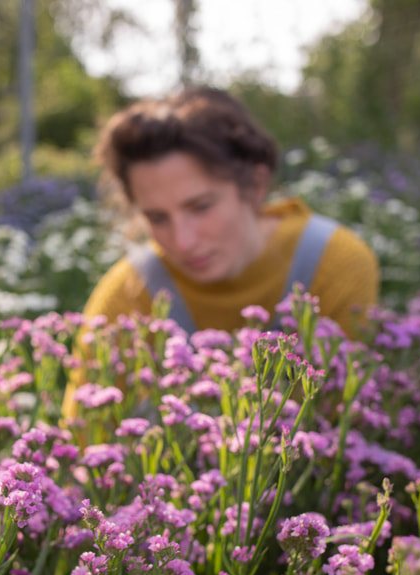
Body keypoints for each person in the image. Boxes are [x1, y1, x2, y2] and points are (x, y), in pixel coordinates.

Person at [61, 87, 379, 426]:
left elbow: (351, 426)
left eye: (200, 207)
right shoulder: (129, 295)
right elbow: (83, 442)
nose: (182, 242)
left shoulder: (333, 264)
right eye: (157, 218)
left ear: (256, 185)